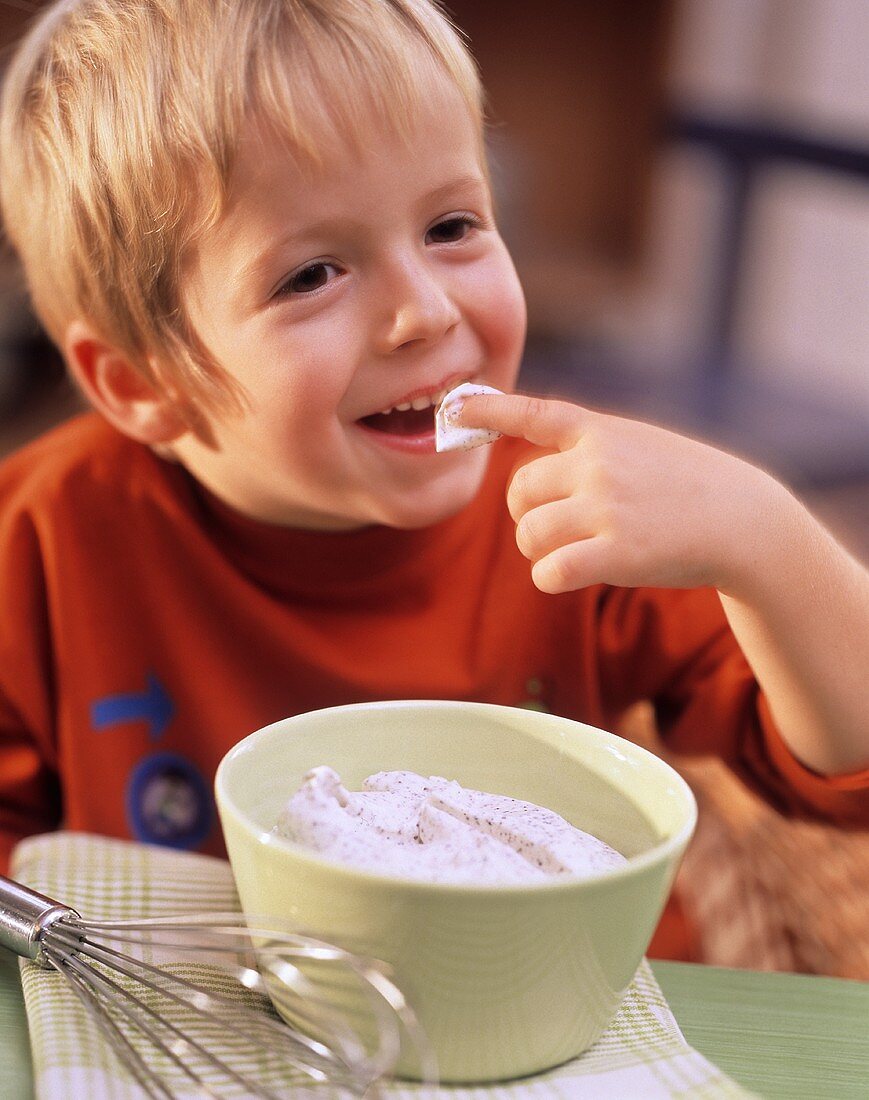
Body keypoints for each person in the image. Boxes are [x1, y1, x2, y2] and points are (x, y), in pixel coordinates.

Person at [0, 0, 866, 963]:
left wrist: (766, 539)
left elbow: (848, 768)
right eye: (312, 275)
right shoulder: (37, 545)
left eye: (452, 225)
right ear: (144, 383)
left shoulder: (579, 507)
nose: (422, 310)